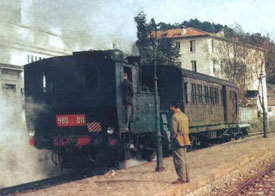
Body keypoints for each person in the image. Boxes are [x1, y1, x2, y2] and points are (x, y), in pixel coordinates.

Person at [170, 102, 191, 184]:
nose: (170, 109)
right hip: (185, 139)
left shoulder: (174, 116)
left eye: (170, 107)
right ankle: (187, 177)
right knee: (184, 159)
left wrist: (172, 138)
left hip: (178, 140)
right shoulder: (184, 116)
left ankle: (181, 178)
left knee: (178, 159)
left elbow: (174, 130)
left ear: (173, 106)